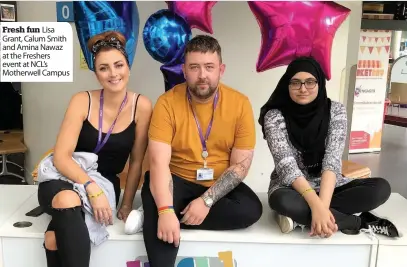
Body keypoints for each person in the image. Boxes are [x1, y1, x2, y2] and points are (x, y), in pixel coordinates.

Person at [141, 35, 263, 267]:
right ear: (184, 70)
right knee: (161, 207)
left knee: (251, 210)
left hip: (217, 184)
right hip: (176, 179)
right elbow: (158, 163)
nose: (202, 75)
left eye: (209, 67)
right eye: (194, 67)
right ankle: (161, 213)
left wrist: (206, 201)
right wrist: (166, 210)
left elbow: (240, 166)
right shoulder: (166, 103)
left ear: (221, 69)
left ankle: (153, 213)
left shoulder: (240, 104)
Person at [37, 31, 152, 267]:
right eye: (104, 68)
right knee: (68, 199)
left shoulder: (142, 105)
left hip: (106, 186)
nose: (113, 74)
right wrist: (91, 188)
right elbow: (61, 157)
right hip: (65, 178)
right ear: (96, 74)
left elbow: (137, 161)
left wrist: (127, 203)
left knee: (53, 239)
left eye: (118, 65)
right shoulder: (82, 100)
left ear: (128, 66)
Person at [258, 56, 400, 238]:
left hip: (329, 185)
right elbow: (287, 168)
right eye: (295, 83)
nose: (303, 89)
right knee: (282, 201)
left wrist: (322, 208)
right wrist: (317, 207)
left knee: (381, 188)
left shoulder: (336, 111)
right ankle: (358, 222)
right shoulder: (274, 117)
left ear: (320, 83)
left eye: (310, 82)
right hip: (292, 187)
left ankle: (299, 220)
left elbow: (331, 161)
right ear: (287, 85)